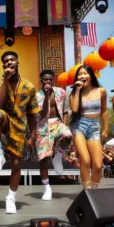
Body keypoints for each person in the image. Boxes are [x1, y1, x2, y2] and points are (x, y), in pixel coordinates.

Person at [0, 51, 40, 214]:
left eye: (12, 60)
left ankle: (11, 197)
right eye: (5, 62)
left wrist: (33, 134)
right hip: (4, 119)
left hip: (19, 126)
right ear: (3, 66)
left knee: (16, 164)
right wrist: (5, 79)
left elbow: (32, 113)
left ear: (17, 63)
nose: (9, 63)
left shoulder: (30, 87)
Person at [35, 70, 72, 200]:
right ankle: (47, 188)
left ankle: (58, 156)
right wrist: (46, 95)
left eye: (50, 79)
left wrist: (65, 124)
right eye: (46, 80)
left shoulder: (61, 92)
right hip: (43, 126)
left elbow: (66, 110)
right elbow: (43, 112)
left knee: (68, 136)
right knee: (43, 160)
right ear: (41, 81)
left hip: (57, 122)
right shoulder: (37, 96)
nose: (48, 82)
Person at [69, 65, 108, 189]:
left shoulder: (100, 91)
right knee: (85, 160)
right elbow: (74, 109)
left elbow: (104, 110)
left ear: (91, 75)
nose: (82, 76)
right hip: (79, 125)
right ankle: (87, 190)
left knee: (97, 165)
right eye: (79, 74)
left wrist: (105, 129)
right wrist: (78, 90)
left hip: (94, 127)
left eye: (85, 73)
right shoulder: (74, 93)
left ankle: (94, 191)